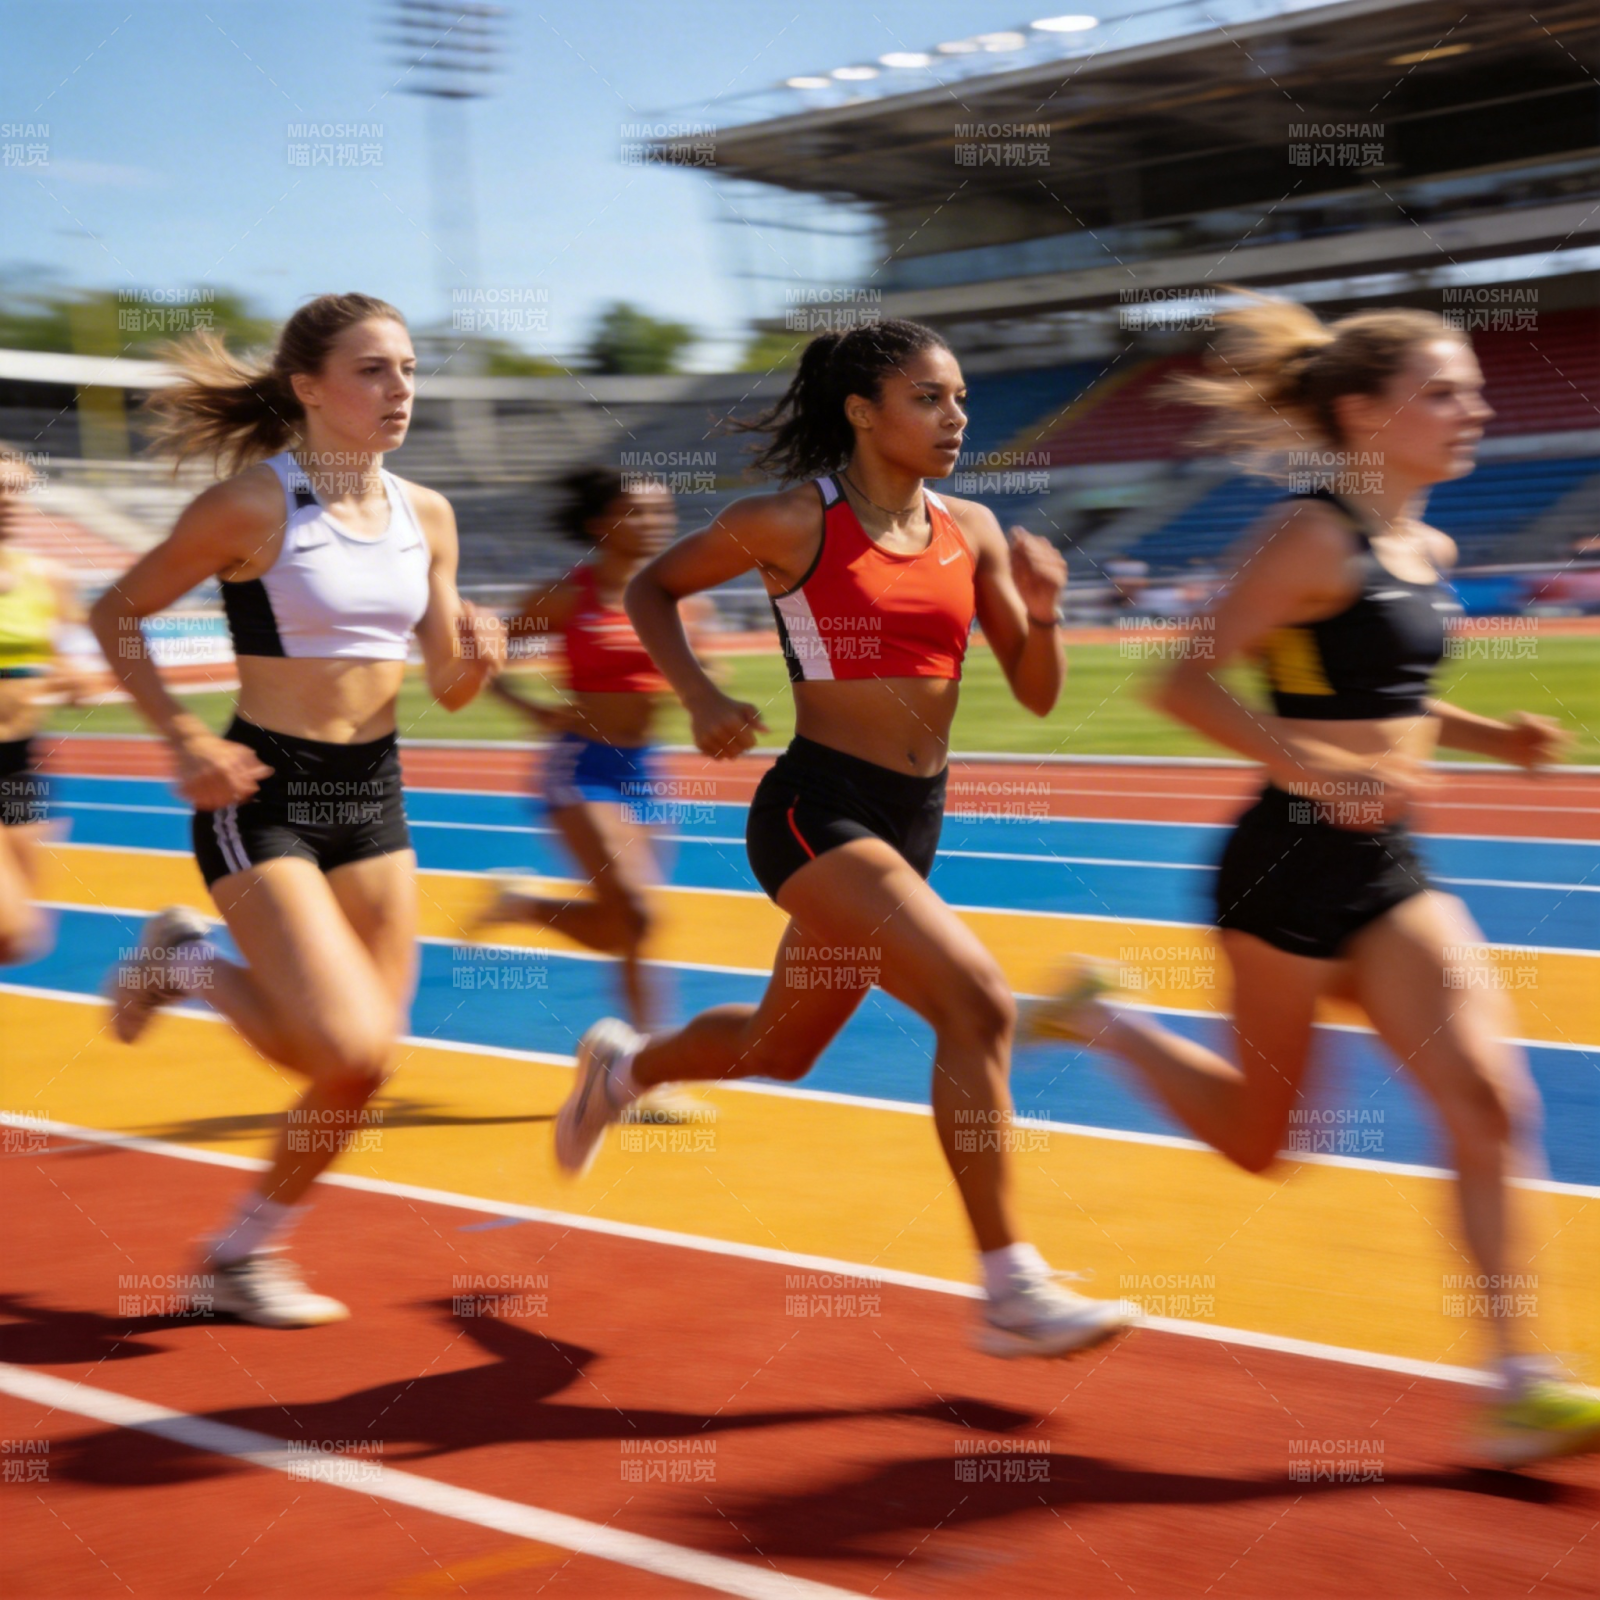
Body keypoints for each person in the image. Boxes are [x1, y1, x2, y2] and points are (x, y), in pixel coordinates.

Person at [1026, 292, 1600, 1463]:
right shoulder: (1307, 534)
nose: (1474, 409)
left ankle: (1517, 1381)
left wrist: (1492, 739)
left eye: (1473, 390)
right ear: (1362, 412)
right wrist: (1311, 770)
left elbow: (1391, 697)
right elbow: (1183, 679)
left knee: (1491, 1102)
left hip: (1387, 871)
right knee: (1263, 1142)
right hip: (1283, 869)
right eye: (1443, 391)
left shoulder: (1426, 545)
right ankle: (1102, 1019)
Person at [551, 318, 1137, 1358]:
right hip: (813, 811)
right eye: (929, 398)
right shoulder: (789, 520)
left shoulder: (973, 529)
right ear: (863, 412)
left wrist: (1042, 613)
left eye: (961, 398)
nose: (956, 417)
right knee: (977, 1001)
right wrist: (700, 695)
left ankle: (624, 1070)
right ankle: (1011, 1288)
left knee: (780, 1049)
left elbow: (1038, 695)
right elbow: (651, 586)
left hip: (914, 819)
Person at [90, 293, 503, 1328]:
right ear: (309, 388)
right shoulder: (251, 505)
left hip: (373, 798)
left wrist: (480, 657)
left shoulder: (427, 514)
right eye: (373, 370)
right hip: (263, 796)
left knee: (365, 1068)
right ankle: (188, 962)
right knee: (344, 1048)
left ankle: (237, 1255)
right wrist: (183, 739)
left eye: (408, 369)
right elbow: (116, 611)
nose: (399, 389)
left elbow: (446, 686)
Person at [0, 449, 85, 964]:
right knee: (9, 922)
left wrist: (69, 675)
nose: (7, 501)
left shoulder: (49, 578)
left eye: (15, 490)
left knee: (19, 942)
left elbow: (64, 660)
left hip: (18, 764)